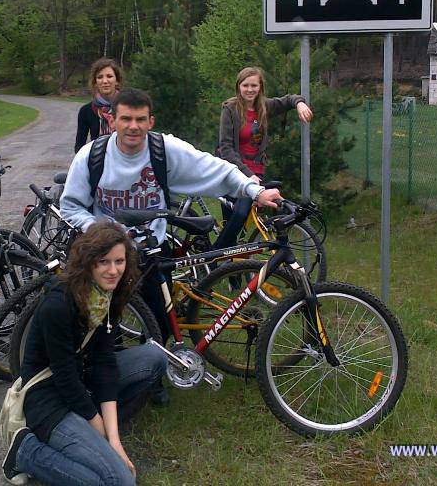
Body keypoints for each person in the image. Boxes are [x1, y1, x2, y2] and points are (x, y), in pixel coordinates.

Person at [59, 88, 283, 401]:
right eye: (126, 119)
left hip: (150, 248)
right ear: (112, 121)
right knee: (100, 319)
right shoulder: (91, 156)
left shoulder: (164, 149)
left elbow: (215, 167)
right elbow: (70, 206)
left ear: (151, 121)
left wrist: (254, 191)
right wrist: (104, 233)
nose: (133, 126)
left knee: (160, 319)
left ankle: (150, 376)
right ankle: (105, 376)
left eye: (140, 119)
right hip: (104, 252)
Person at [3, 222, 166, 486]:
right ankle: (26, 452)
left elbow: (104, 362)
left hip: (81, 379)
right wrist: (97, 425)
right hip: (47, 396)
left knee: (155, 358)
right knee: (120, 482)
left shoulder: (106, 295)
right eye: (104, 262)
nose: (113, 270)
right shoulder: (58, 304)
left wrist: (113, 439)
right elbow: (64, 376)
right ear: (89, 262)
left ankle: (88, 433)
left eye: (119, 261)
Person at [213, 66, 313, 249]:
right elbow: (226, 148)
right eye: (245, 85)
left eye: (254, 85)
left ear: (260, 87)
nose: (250, 90)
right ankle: (213, 256)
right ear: (238, 87)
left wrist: (299, 103)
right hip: (234, 170)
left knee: (239, 224)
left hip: (256, 171)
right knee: (238, 215)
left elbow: (288, 100)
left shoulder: (264, 107)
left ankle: (228, 261)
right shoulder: (230, 109)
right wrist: (247, 173)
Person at [75, 58, 123, 153]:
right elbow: (79, 147)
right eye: (100, 77)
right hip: (98, 159)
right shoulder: (86, 111)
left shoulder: (128, 107)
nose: (105, 81)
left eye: (109, 76)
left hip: (125, 159)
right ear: (95, 82)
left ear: (117, 80)